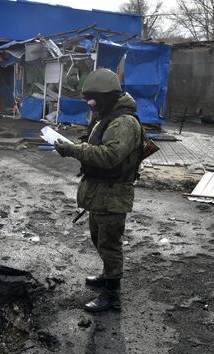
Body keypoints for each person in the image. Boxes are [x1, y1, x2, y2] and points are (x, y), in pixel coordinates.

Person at [54, 68, 143, 312]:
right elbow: (97, 145)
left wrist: (74, 149)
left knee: (109, 244)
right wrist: (77, 146)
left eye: (94, 99)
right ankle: (108, 275)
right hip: (101, 193)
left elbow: (110, 156)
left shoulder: (123, 122)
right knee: (99, 239)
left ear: (107, 97)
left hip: (113, 195)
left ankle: (112, 296)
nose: (90, 104)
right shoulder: (107, 116)